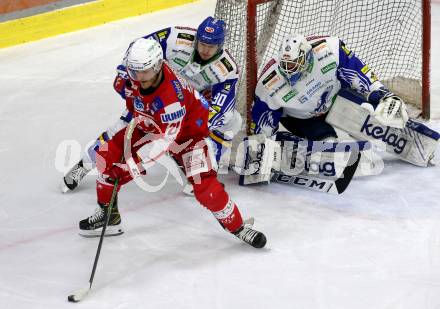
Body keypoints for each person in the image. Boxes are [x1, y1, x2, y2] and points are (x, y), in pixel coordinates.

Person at [77, 37, 266, 248]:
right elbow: (127, 87)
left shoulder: (171, 101)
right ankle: (108, 216)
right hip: (147, 125)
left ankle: (238, 227)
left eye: (145, 71)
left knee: (206, 190)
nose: (139, 77)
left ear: (158, 66)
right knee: (105, 158)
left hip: (187, 137)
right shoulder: (134, 77)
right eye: (134, 71)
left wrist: (129, 168)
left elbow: (161, 146)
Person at [62, 17, 241, 192]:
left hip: (187, 107)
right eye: (202, 44)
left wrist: (190, 131)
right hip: (153, 97)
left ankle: (197, 171)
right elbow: (140, 45)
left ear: (221, 46)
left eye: (211, 47)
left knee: (233, 121)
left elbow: (221, 109)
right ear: (196, 39)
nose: (205, 50)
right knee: (119, 132)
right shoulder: (177, 38)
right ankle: (84, 165)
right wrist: (124, 71)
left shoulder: (227, 69)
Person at [246, 33, 438, 180]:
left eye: (295, 65)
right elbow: (263, 123)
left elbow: (360, 76)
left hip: (336, 100)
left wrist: (384, 96)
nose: (290, 70)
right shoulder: (269, 83)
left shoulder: (329, 50)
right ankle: (304, 145)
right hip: (302, 119)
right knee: (328, 145)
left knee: (378, 116)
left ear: (308, 57)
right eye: (286, 65)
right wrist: (261, 153)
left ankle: (419, 145)